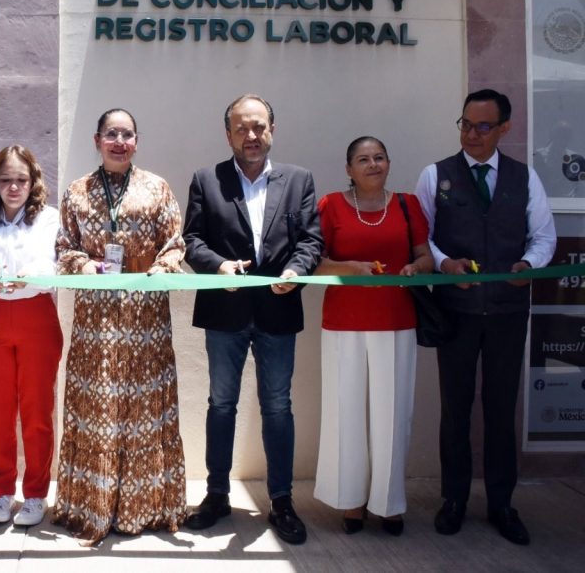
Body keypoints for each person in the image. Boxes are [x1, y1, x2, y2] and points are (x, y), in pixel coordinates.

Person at [415, 88, 556, 545]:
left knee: (500, 408)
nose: (471, 134)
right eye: (465, 124)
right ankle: (453, 500)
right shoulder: (436, 175)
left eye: (482, 127)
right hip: (455, 312)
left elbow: (544, 235)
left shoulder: (524, 177)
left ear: (503, 129)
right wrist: (443, 264)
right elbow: (421, 237)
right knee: (455, 409)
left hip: (506, 313)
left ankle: (501, 504)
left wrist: (528, 264)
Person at [182, 93, 322, 544]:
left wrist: (296, 272)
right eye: (241, 127)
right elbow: (192, 241)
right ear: (228, 134)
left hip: (279, 309)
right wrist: (218, 266)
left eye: (259, 126)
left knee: (278, 406)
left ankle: (281, 501)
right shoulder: (207, 179)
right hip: (225, 310)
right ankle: (216, 496)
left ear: (272, 130)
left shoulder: (298, 180)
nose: (251, 135)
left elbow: (311, 241)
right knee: (221, 404)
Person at [52, 108, 187, 543]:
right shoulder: (77, 191)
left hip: (146, 318)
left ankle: (143, 510)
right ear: (97, 140)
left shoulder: (157, 188)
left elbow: (175, 243)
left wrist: (162, 268)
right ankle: (92, 507)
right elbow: (63, 248)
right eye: (111, 134)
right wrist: (84, 265)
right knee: (99, 408)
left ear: (136, 142)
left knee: (144, 409)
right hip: (96, 321)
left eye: (127, 134)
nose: (119, 142)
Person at [312, 136, 434, 536]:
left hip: (396, 319)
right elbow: (313, 262)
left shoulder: (407, 204)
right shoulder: (331, 205)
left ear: (389, 163)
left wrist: (417, 267)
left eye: (379, 157)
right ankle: (351, 500)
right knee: (345, 411)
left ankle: (389, 503)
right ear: (349, 169)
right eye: (363, 159)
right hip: (343, 320)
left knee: (393, 414)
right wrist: (350, 267)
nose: (372, 164)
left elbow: (425, 255)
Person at [0, 145, 63, 527]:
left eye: (21, 180)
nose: (13, 187)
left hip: (35, 315)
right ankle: (2, 491)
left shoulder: (48, 217)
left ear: (33, 182)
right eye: (6, 179)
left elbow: (49, 264)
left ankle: (36, 494)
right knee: (0, 411)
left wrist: (29, 274)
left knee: (37, 411)